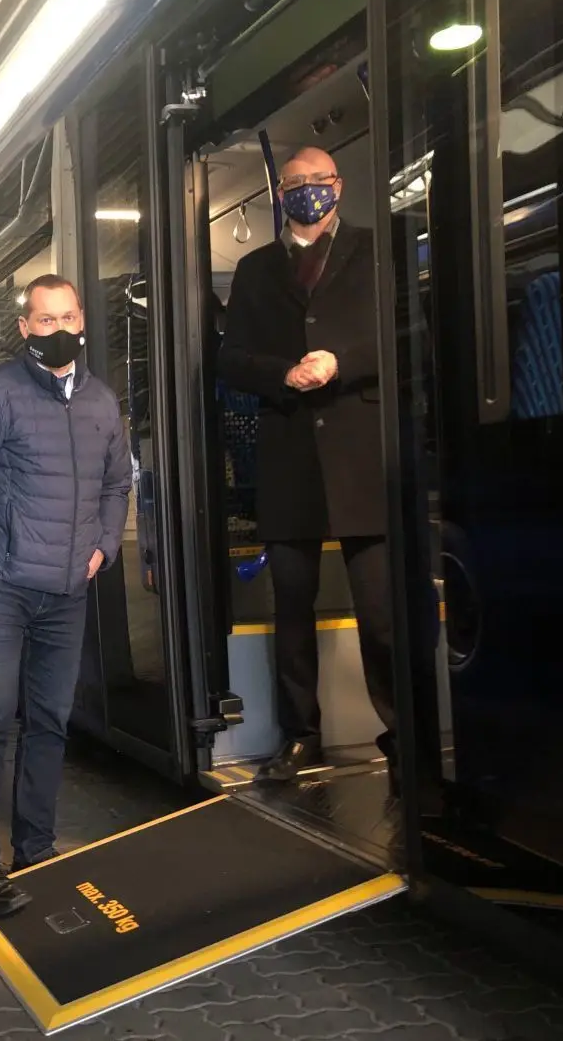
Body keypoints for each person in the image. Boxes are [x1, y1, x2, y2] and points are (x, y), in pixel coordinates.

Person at [0, 273, 132, 919]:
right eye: (44, 320)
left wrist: (105, 543)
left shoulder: (101, 401)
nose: (58, 329)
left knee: (49, 720)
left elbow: (117, 482)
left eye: (67, 316)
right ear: (25, 329)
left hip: (67, 589)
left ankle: (37, 847)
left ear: (82, 321)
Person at [216, 145, 399, 790]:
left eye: (317, 182)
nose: (307, 192)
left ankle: (402, 737)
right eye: (294, 183)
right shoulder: (257, 268)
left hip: (361, 460)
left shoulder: (378, 251)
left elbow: (405, 335)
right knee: (291, 608)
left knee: (381, 612)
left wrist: (339, 362)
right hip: (289, 456)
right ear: (279, 193)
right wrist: (283, 374)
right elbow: (232, 358)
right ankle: (300, 734)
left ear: (339, 186)